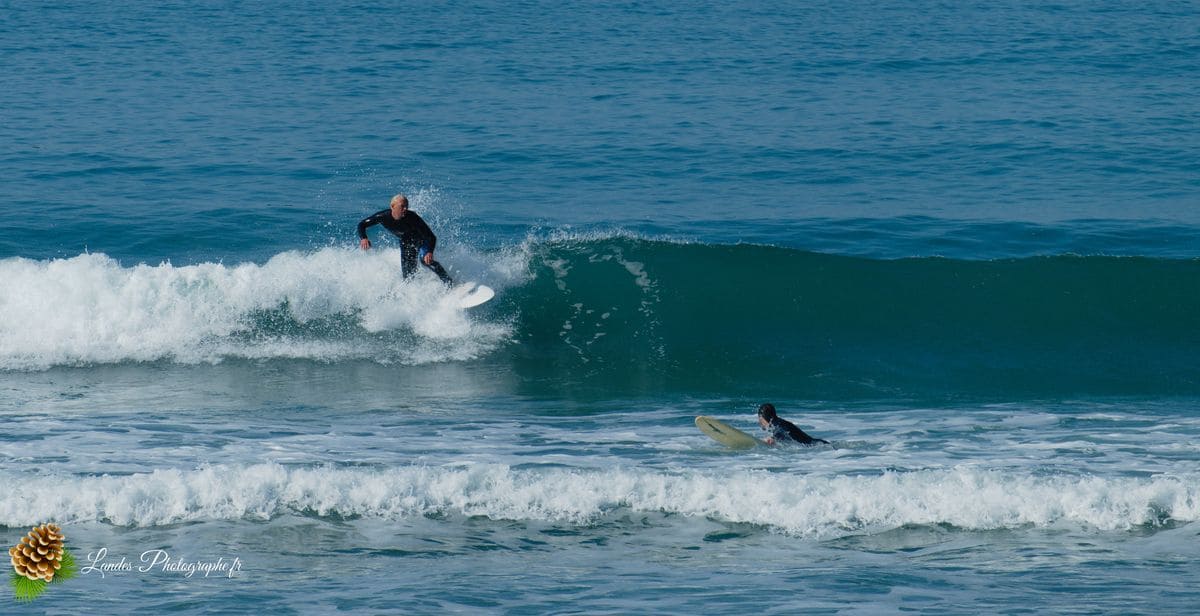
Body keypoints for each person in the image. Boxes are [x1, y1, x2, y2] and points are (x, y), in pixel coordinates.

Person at [357, 194, 453, 285]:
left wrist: (429, 252)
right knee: (408, 276)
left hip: (422, 241)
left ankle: (448, 281)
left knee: (425, 260)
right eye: (402, 206)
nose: (405, 209)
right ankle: (417, 291)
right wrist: (364, 238)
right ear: (392, 206)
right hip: (406, 243)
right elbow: (362, 224)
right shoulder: (383, 217)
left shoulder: (413, 217)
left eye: (406, 206)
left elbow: (431, 236)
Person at [757, 403, 828, 446]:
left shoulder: (777, 426)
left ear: (762, 417)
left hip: (816, 445)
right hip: (818, 443)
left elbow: (781, 432)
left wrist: (772, 439)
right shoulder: (779, 422)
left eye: (759, 418)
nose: (759, 422)